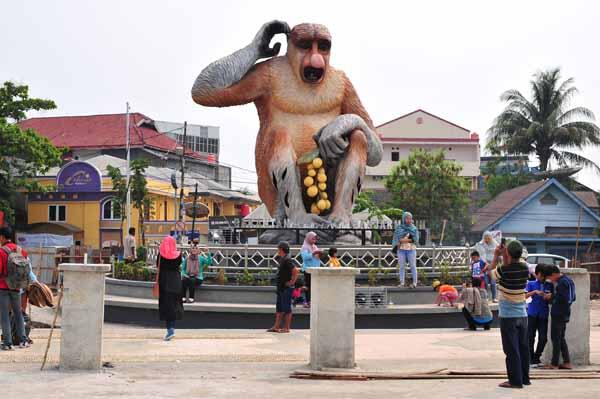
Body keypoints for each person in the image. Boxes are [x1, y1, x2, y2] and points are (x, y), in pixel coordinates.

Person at [488, 239, 530, 389]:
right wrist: (506, 254)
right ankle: (525, 378)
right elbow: (512, 263)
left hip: (508, 316)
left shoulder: (503, 270)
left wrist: (496, 255)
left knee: (511, 350)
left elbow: (490, 273)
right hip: (523, 315)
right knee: (523, 348)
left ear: (508, 254)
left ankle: (515, 381)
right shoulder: (525, 268)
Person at [0, 226, 29, 350]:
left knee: (4, 314)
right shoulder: (21, 250)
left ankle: (8, 343)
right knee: (18, 313)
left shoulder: (1, 251)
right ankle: (23, 340)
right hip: (17, 287)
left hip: (3, 287)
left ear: (2, 237)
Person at [542, 265, 576, 370]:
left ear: (553, 274)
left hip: (559, 313)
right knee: (561, 338)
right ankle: (567, 362)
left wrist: (551, 296)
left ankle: (554, 363)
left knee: (555, 338)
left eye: (550, 278)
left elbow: (563, 298)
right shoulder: (569, 281)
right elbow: (573, 297)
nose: (550, 280)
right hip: (565, 312)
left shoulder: (562, 283)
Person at [526, 264, 553, 365]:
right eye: (540, 275)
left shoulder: (549, 285)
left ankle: (537, 356)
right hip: (532, 313)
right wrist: (534, 292)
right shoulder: (531, 284)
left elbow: (552, 298)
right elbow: (524, 296)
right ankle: (530, 358)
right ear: (536, 274)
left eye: (544, 276)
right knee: (530, 337)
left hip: (543, 314)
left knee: (543, 338)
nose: (542, 278)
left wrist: (548, 297)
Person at [157, 235, 183, 341]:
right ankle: (172, 327)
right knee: (174, 305)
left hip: (164, 282)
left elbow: (157, 266)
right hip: (176, 282)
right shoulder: (178, 255)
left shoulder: (161, 255)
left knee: (167, 306)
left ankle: (170, 330)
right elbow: (179, 265)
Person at [268, 242, 298, 333]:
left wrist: (292, 282)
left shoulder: (287, 260)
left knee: (287, 309)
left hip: (286, 288)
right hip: (281, 288)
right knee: (279, 308)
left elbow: (295, 271)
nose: (278, 251)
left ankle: (286, 327)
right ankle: (276, 326)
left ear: (281, 249)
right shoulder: (282, 259)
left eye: (278, 249)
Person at [392, 212, 419, 288]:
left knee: (413, 266)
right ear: (403, 219)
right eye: (407, 218)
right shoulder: (399, 228)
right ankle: (402, 282)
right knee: (401, 266)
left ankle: (414, 283)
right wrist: (400, 241)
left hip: (411, 249)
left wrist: (404, 240)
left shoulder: (414, 228)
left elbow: (416, 240)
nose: (409, 220)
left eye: (410, 218)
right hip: (401, 250)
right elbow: (396, 239)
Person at [475, 231, 498, 302]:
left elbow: (497, 254)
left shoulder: (495, 244)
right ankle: (486, 297)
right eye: (486, 238)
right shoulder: (480, 244)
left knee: (493, 282)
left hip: (492, 266)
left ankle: (494, 297)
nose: (487, 239)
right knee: (485, 282)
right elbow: (480, 255)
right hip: (484, 266)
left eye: (489, 238)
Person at [300, 232, 321, 307]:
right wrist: (313, 253)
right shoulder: (305, 247)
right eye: (313, 238)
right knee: (308, 286)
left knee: (314, 286)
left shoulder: (314, 246)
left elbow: (317, 256)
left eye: (315, 239)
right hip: (308, 270)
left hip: (315, 269)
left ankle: (313, 301)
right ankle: (308, 301)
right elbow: (305, 257)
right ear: (308, 238)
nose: (314, 240)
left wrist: (320, 254)